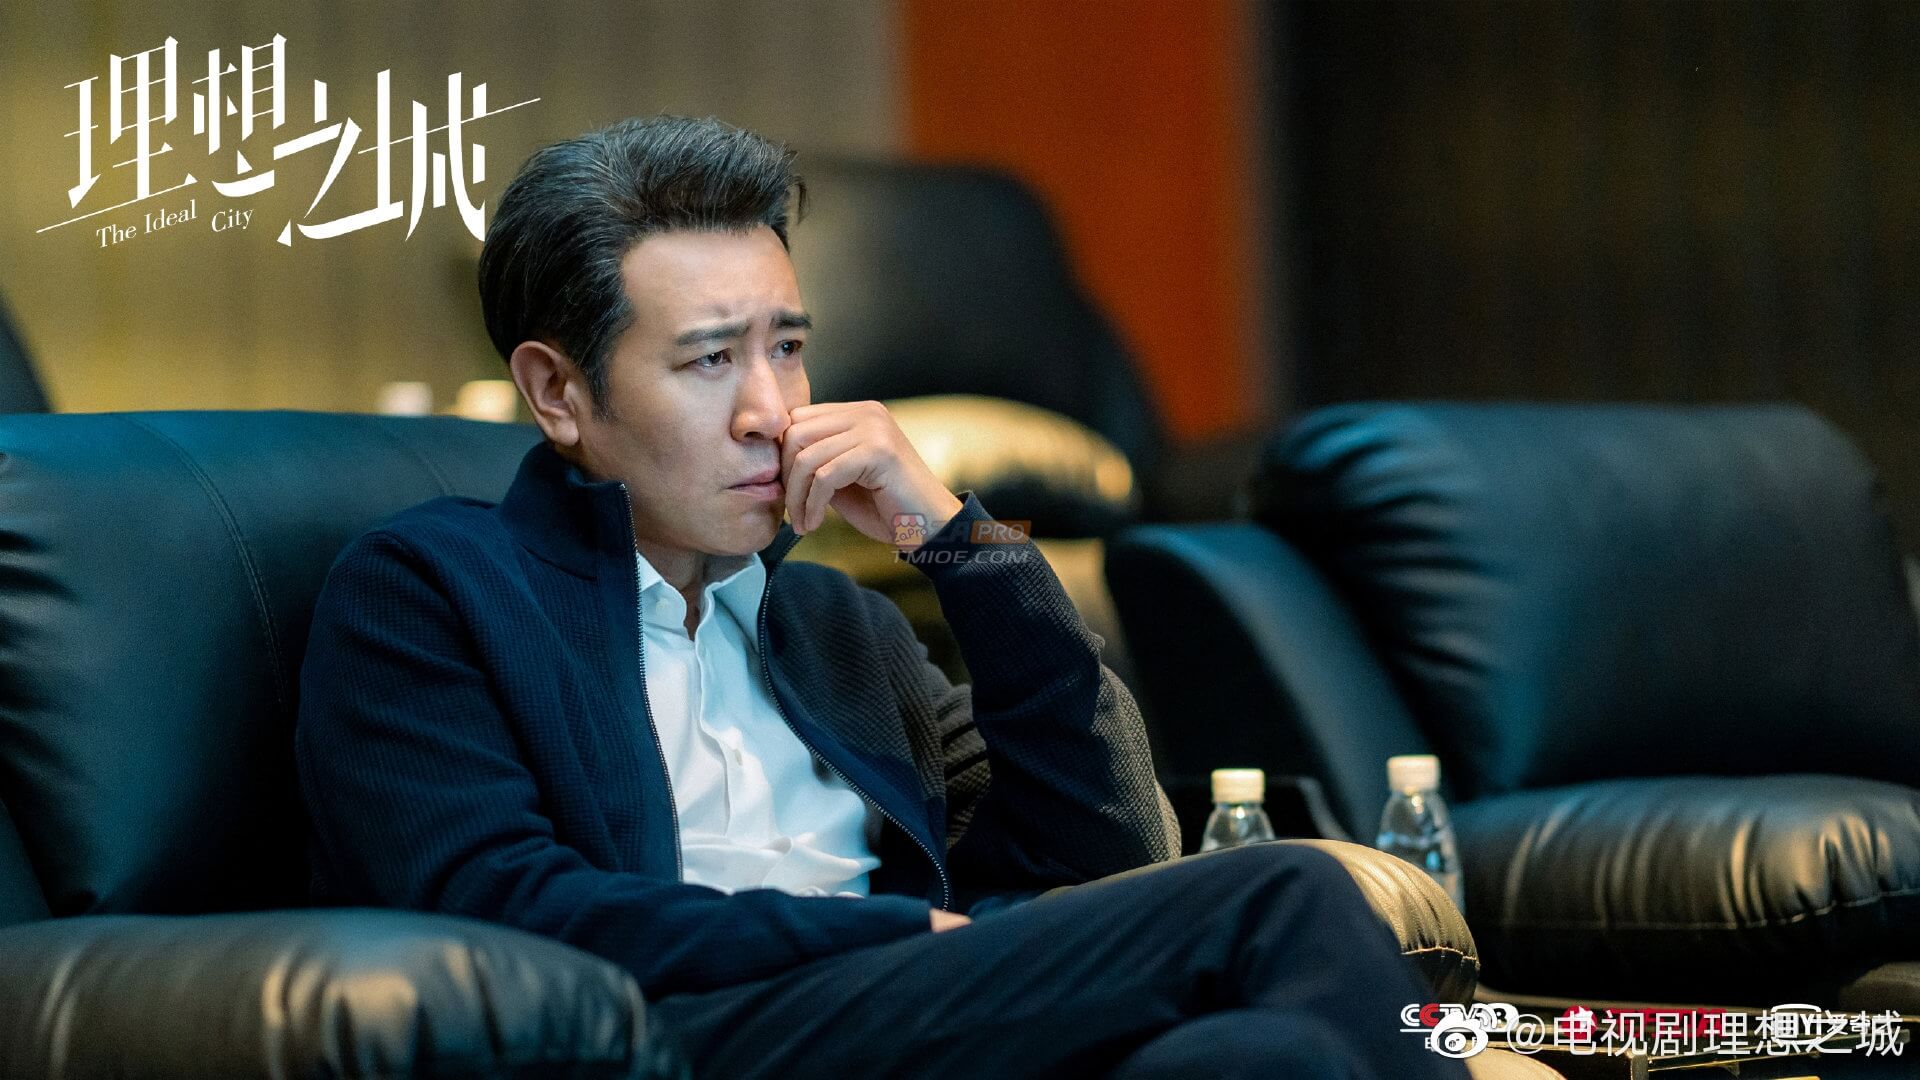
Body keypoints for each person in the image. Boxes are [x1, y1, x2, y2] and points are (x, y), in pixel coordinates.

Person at [293, 115, 1465, 1080]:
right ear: (558, 392)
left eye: (787, 349)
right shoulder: (434, 590)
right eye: (710, 359)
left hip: (913, 1024)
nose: (772, 411)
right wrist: (892, 933)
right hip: (683, 1037)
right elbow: (498, 904)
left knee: (1267, 1058)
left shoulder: (834, 627)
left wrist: (959, 543)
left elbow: (1106, 851)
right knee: (1286, 895)